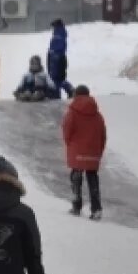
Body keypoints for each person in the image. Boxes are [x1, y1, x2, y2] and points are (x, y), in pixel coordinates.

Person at [62, 85, 107, 220]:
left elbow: (67, 131)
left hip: (77, 151)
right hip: (93, 151)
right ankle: (96, 208)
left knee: (76, 176)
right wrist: (99, 150)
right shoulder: (97, 115)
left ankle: (76, 205)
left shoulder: (72, 112)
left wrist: (70, 144)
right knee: (92, 178)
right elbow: (103, 135)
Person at [45, 18, 74, 99]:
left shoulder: (59, 35)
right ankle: (62, 92)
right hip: (55, 59)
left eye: (54, 26)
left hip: (57, 59)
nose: (53, 28)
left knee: (57, 78)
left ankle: (60, 93)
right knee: (56, 78)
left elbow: (58, 48)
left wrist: (53, 54)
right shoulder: (58, 34)